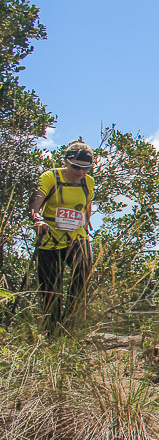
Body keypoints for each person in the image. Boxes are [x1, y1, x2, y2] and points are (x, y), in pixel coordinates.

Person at [27, 140, 95, 333]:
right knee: (50, 288)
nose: (81, 172)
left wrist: (87, 218)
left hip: (77, 238)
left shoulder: (88, 182)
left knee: (83, 273)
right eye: (76, 167)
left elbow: (87, 202)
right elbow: (35, 203)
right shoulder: (50, 177)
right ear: (66, 162)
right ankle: (52, 330)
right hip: (50, 237)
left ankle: (70, 323)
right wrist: (37, 220)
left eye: (86, 168)